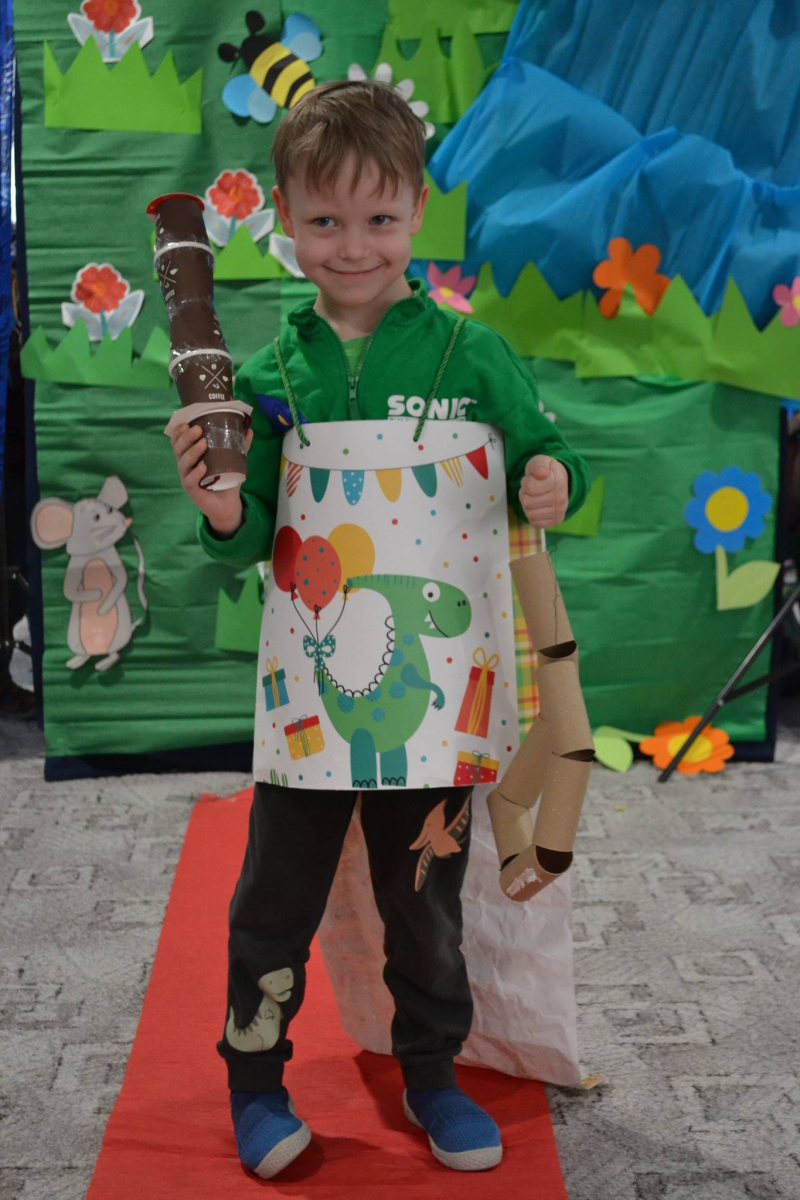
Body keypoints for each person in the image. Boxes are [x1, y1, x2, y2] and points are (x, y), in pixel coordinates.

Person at [170, 79, 591, 1180]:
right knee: (272, 903)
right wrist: (221, 504)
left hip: (436, 702)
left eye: (379, 218)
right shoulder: (268, 376)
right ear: (284, 218)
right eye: (324, 220)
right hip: (307, 706)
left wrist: (552, 479)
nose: (352, 247)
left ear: (416, 213)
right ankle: (254, 1080)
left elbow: (551, 454)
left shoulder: (472, 355)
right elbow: (243, 535)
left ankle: (432, 1069)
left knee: (426, 906)